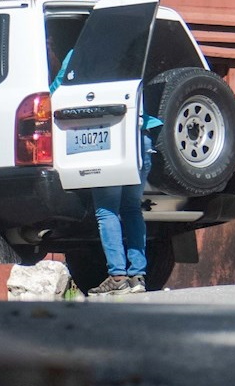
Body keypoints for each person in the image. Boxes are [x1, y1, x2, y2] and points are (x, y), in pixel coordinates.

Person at [53, 52, 158, 295]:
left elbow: (59, 85)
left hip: (110, 136)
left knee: (106, 211)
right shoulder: (135, 52)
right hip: (141, 137)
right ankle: (137, 276)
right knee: (132, 208)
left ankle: (118, 276)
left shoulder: (81, 54)